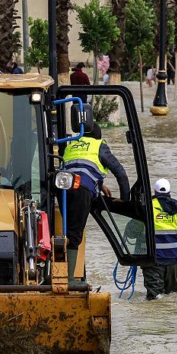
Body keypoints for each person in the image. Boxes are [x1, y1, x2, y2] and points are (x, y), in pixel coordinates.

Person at [61, 122, 130, 285]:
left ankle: (54, 271)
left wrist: (98, 184)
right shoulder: (99, 146)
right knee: (74, 234)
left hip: (62, 188)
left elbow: (79, 166)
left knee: (63, 231)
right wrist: (125, 199)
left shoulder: (71, 145)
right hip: (81, 190)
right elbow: (120, 172)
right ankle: (70, 279)